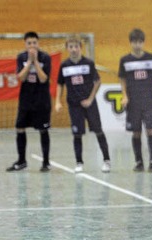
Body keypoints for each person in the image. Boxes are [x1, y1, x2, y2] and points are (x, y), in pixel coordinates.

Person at [55, 35, 111, 173]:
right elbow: (60, 84)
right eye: (71, 47)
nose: (73, 49)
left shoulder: (88, 63)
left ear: (80, 47)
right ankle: (79, 162)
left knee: (98, 130)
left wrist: (90, 99)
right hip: (74, 105)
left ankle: (106, 160)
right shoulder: (64, 65)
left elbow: (97, 82)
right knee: (77, 134)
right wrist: (57, 101)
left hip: (89, 104)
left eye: (76, 46)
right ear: (67, 48)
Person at [118, 28, 152, 172]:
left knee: (150, 129)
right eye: (135, 42)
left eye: (140, 42)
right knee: (136, 132)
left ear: (143, 42)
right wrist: (124, 95)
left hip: (149, 100)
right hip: (133, 101)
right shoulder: (125, 60)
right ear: (130, 43)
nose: (137, 45)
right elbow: (122, 78)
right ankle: (139, 162)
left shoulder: (151, 58)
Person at [6, 31, 52, 172]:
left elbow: (44, 78)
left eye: (34, 43)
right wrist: (29, 63)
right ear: (25, 45)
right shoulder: (21, 57)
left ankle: (45, 162)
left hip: (42, 100)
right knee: (20, 127)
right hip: (26, 99)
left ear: (38, 44)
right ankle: (21, 161)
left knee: (43, 129)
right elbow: (21, 77)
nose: (32, 46)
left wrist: (36, 62)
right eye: (29, 43)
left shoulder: (45, 57)